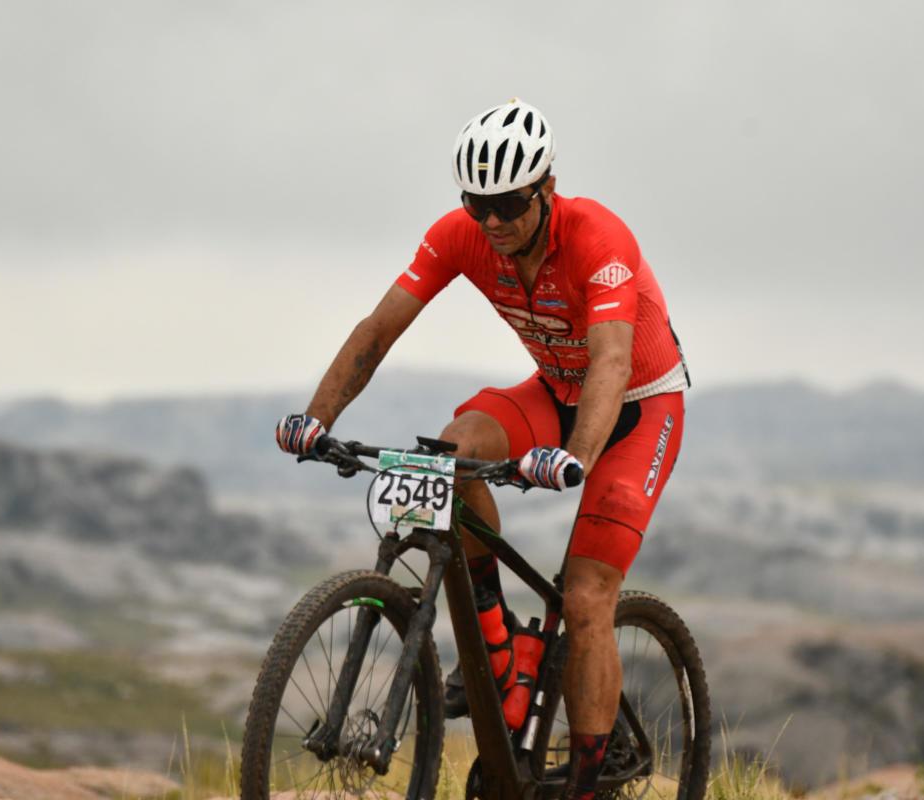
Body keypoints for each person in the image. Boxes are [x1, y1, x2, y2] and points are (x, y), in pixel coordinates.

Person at [276, 98, 688, 800]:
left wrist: (576, 457)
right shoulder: (461, 236)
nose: (493, 222)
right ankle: (499, 649)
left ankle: (587, 787)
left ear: (547, 188)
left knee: (586, 597)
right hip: (556, 390)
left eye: (509, 204)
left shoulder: (598, 238)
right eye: (478, 204)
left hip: (638, 407)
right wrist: (315, 420)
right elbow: (379, 328)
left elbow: (613, 364)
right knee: (451, 451)